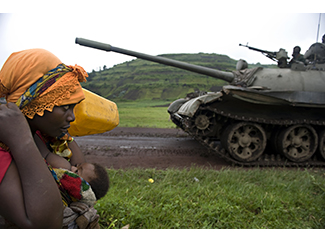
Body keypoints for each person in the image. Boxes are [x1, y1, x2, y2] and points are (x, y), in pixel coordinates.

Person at [0, 48, 108, 228]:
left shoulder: (45, 136)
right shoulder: (6, 147)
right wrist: (22, 140)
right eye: (65, 107)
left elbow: (79, 168)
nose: (72, 117)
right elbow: (46, 224)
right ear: (35, 103)